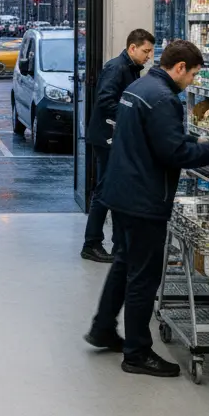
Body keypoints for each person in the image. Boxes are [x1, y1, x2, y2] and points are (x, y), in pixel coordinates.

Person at [84, 39, 209, 377]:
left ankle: (103, 327)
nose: (193, 80)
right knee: (143, 277)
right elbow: (172, 154)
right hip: (143, 199)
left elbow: (151, 138)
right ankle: (137, 353)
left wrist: (194, 141)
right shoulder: (165, 99)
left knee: (123, 262)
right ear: (179, 68)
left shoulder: (140, 86)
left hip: (120, 192)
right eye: (193, 74)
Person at [81, 29, 156, 263]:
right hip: (107, 139)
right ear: (132, 48)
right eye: (146, 51)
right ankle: (91, 243)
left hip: (114, 137)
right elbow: (105, 100)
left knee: (113, 191)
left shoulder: (131, 69)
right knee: (105, 192)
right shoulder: (117, 68)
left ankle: (118, 245)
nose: (149, 56)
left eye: (151, 52)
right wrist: (130, 117)